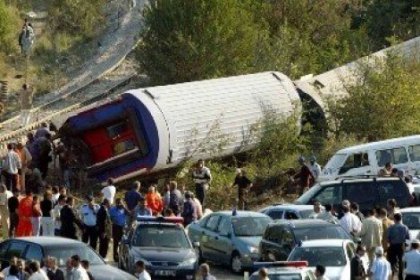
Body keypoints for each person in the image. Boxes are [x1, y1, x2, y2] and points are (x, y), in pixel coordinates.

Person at [387, 213, 410, 280]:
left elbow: (388, 239)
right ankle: (401, 276)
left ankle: (393, 274)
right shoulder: (405, 227)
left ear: (394, 219)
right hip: (401, 246)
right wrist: (405, 245)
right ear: (401, 219)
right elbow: (408, 238)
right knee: (401, 261)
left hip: (393, 245)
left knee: (392, 261)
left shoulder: (391, 227)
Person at [109, 198, 128, 262]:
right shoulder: (112, 209)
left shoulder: (124, 208)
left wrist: (125, 208)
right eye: (118, 203)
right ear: (115, 203)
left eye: (120, 203)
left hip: (123, 227)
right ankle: (115, 257)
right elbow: (110, 218)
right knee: (116, 243)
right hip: (116, 227)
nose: (119, 204)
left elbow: (130, 214)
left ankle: (122, 256)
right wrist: (113, 220)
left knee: (123, 242)